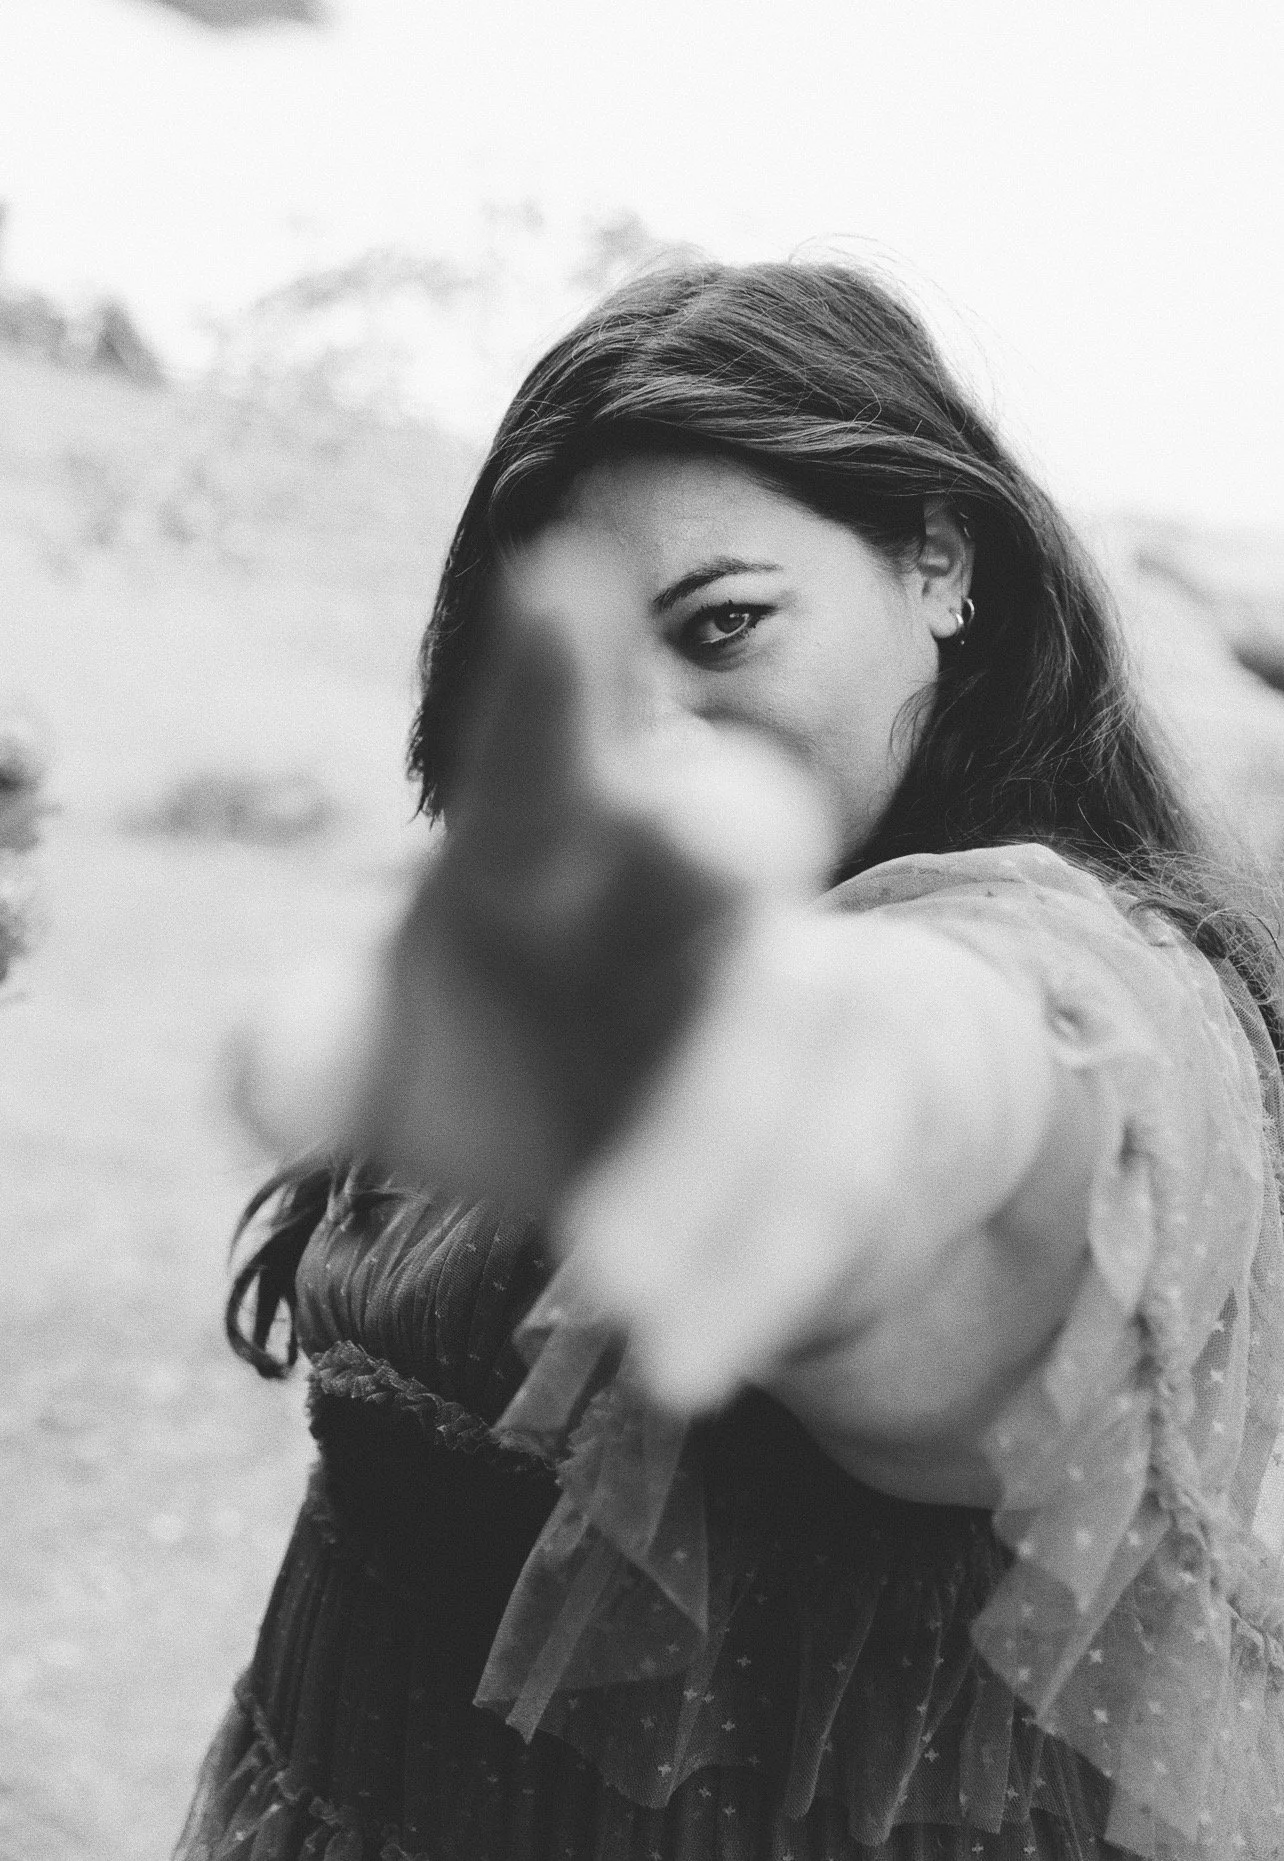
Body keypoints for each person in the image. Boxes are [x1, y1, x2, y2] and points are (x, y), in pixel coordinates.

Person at [174, 260, 1284, 1861]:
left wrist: (810, 1117)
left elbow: (970, 1098)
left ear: (939, 559)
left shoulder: (1091, 976)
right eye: (576, 663)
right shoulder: (561, 953)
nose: (649, 745)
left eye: (725, 627)